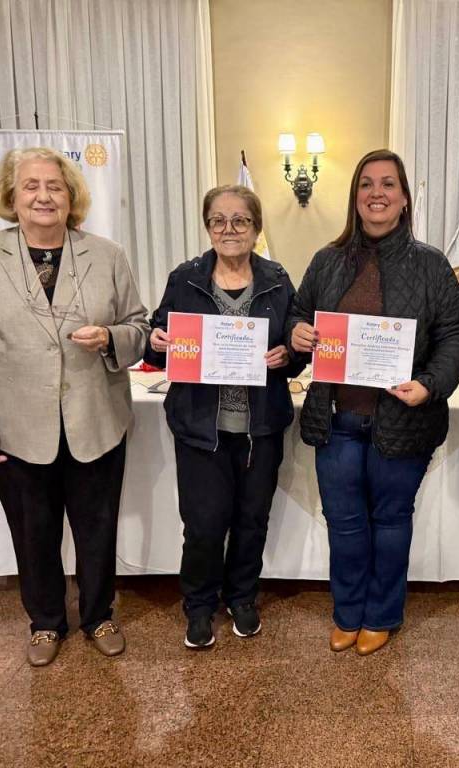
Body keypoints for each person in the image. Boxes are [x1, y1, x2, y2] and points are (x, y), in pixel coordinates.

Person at [0, 147, 149, 666]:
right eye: (31, 186)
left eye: (54, 186)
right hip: (17, 426)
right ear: (11, 196)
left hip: (96, 420)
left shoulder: (107, 255)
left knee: (97, 527)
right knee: (32, 532)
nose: (43, 196)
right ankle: (45, 622)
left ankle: (99, 615)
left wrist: (110, 337)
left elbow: (139, 327)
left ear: (71, 196)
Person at [289, 149, 459, 656]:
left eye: (388, 184)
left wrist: (430, 384)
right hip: (337, 419)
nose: (377, 193)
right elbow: (298, 313)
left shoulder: (431, 264)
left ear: (404, 198)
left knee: (391, 521)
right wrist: (297, 331)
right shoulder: (327, 261)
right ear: (355, 198)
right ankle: (348, 612)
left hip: (403, 418)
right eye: (366, 184)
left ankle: (382, 614)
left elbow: (457, 335)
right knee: (344, 522)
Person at [144, 184, 303, 649]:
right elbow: (157, 337)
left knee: (253, 520)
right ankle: (198, 606)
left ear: (256, 228)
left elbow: (295, 340)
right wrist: (157, 341)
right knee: (204, 524)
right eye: (218, 220)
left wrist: (288, 355)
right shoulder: (185, 278)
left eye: (240, 220)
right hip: (201, 427)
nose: (229, 229)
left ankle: (242, 597)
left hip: (260, 426)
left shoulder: (276, 278)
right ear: (208, 227)